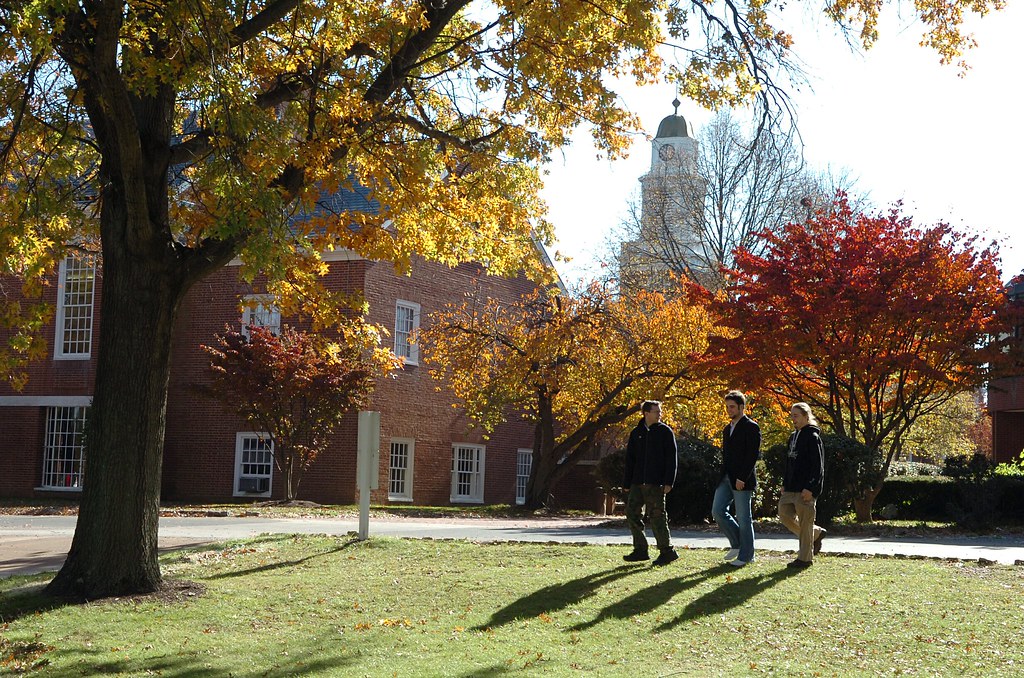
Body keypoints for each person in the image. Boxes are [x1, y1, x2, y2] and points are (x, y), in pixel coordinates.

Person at [622, 400, 679, 566]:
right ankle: (640, 550)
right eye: (656, 411)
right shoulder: (636, 433)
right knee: (632, 513)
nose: (659, 414)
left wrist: (669, 481)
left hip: (656, 483)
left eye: (660, 411)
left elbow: (672, 459)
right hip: (637, 482)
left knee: (657, 516)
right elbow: (630, 460)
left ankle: (667, 551)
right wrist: (627, 482)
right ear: (646, 413)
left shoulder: (665, 432)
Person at [712, 390, 761, 567]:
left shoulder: (751, 426)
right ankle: (738, 544)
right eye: (727, 407)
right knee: (717, 511)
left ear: (741, 407)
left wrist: (742, 477)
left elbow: (752, 455)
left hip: (742, 479)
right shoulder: (728, 428)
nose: (729, 410)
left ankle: (747, 555)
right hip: (725, 478)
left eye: (732, 407)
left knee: (744, 518)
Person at [778, 402, 826, 569]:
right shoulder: (793, 436)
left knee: (805, 523)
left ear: (807, 416)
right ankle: (816, 534)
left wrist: (811, 488)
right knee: (783, 514)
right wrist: (785, 483)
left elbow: (817, 466)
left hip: (805, 490)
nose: (793, 419)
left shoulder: (813, 437)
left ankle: (805, 559)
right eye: (792, 416)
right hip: (791, 488)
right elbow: (789, 463)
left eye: (796, 416)